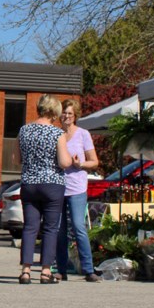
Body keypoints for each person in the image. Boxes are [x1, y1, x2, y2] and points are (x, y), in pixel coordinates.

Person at [17, 94, 73, 284]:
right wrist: (72, 159)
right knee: (50, 228)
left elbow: (16, 160)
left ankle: (25, 271)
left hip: (29, 183)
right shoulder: (57, 134)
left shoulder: (24, 130)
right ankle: (45, 272)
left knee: (30, 227)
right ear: (54, 111)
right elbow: (64, 162)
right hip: (52, 184)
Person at [55, 99, 102, 282]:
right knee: (59, 229)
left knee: (78, 226)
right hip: (58, 186)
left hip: (77, 187)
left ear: (75, 116)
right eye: (64, 113)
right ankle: (61, 269)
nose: (66, 116)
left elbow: (94, 161)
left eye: (69, 113)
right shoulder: (56, 134)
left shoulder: (83, 134)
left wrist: (80, 164)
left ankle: (88, 269)